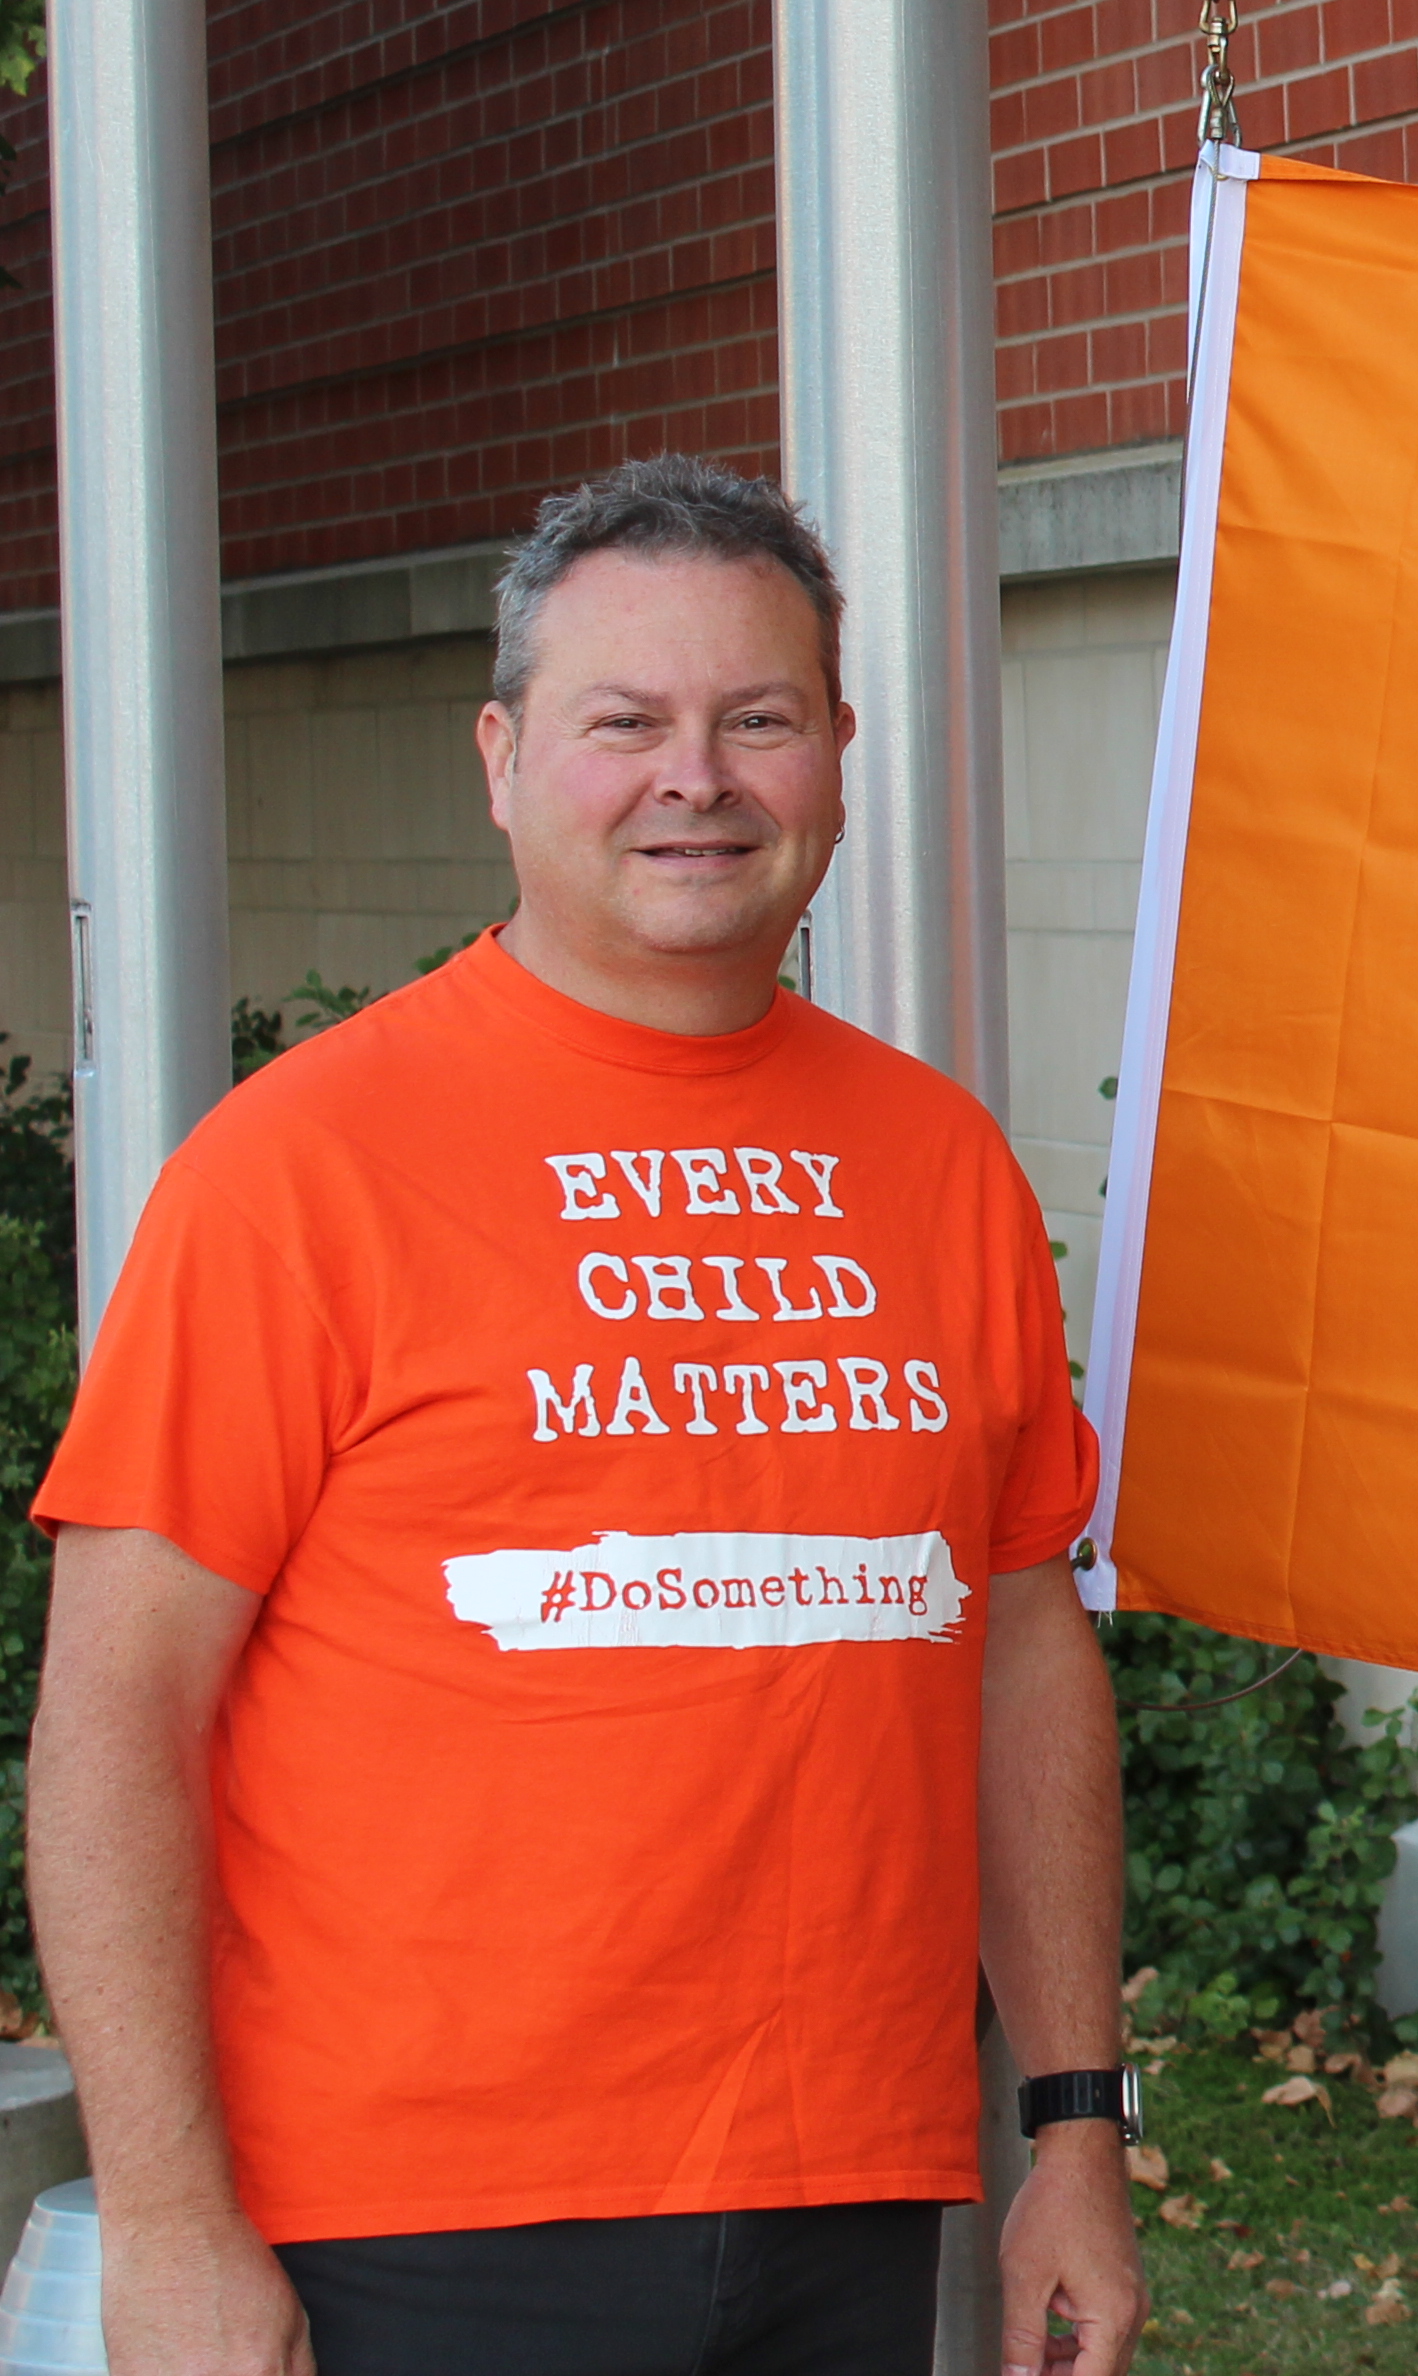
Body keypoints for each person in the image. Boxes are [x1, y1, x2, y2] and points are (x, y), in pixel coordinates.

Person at [28, 458, 1148, 2376]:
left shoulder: (939, 1165)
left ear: (840, 751)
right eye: (622, 721)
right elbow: (119, 1711)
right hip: (408, 2213)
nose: (693, 777)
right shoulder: (302, 1171)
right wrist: (167, 2216)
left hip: (845, 2182)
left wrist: (1074, 2130)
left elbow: (1019, 1654)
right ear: (500, 756)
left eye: (758, 718)